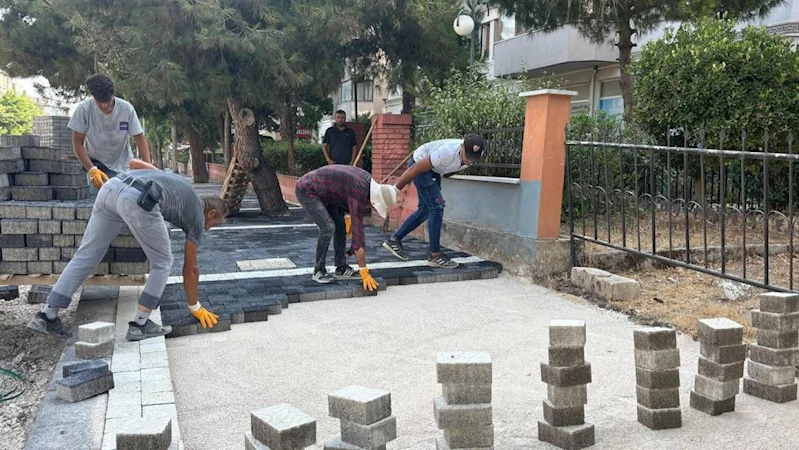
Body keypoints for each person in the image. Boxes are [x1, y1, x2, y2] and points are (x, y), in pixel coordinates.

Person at [27, 170, 228, 340]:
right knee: (163, 262)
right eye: (214, 223)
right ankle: (140, 324)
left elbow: (136, 164)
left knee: (86, 255)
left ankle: (47, 315)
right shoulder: (197, 216)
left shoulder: (183, 189)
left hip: (110, 188)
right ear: (210, 213)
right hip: (138, 199)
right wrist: (195, 305)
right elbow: (190, 268)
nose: (209, 229)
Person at [382, 134, 485, 269]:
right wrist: (395, 190)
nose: (470, 161)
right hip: (420, 163)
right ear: (461, 147)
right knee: (437, 208)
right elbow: (415, 168)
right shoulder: (446, 152)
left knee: (426, 210)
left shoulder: (470, 159)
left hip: (434, 170)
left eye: (474, 158)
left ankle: (394, 240)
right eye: (468, 156)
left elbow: (449, 171)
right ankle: (435, 255)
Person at [295, 165, 396, 288]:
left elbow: (340, 191)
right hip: (307, 190)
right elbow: (358, 235)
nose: (371, 207)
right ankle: (318, 270)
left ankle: (341, 268)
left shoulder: (367, 182)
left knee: (340, 227)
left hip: (327, 193)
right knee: (328, 228)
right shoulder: (359, 191)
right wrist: (363, 271)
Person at [68, 73, 152, 190]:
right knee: (99, 205)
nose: (104, 105)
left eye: (107, 101)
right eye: (100, 101)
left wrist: (148, 170)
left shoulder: (126, 109)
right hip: (97, 167)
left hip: (123, 168)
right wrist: (91, 169)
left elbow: (140, 139)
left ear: (113, 94)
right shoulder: (84, 109)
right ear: (93, 96)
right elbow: (77, 144)